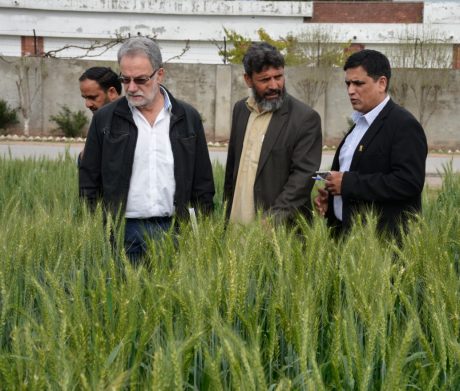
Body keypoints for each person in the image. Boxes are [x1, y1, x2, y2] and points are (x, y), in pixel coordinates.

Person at [79, 37, 215, 261]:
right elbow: (89, 181)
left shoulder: (187, 117)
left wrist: (203, 230)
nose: (131, 88)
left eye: (141, 79)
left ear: (159, 74)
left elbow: (202, 181)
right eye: (126, 79)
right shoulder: (105, 119)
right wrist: (98, 228)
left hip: (176, 229)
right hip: (124, 231)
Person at [314, 49, 428, 237]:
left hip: (380, 244)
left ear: (381, 83)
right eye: (348, 83)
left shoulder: (403, 125)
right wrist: (333, 199)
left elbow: (409, 182)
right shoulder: (359, 124)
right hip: (346, 239)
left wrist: (347, 183)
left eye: (358, 83)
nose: (351, 90)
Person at [223, 42, 322, 226]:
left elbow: (303, 178)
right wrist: (225, 217)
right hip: (236, 229)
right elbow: (232, 170)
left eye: (279, 77)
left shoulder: (305, 118)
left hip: (278, 232)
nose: (274, 85)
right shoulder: (241, 110)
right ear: (248, 80)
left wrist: (272, 220)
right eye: (265, 79)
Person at [78, 67, 122, 165]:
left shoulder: (132, 120)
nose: (87, 104)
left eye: (93, 97)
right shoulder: (100, 120)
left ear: (112, 92)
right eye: (85, 98)